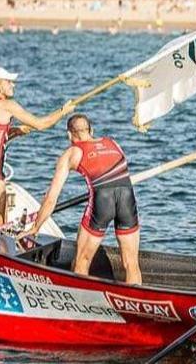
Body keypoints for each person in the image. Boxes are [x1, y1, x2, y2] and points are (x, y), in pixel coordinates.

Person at [18, 114, 141, 284]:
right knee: (131, 263)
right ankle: (134, 305)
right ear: (92, 130)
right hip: (127, 198)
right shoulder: (113, 143)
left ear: (69, 135)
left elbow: (51, 198)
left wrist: (36, 227)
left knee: (82, 261)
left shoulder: (72, 153)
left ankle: (80, 300)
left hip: (102, 201)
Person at [0, 66, 74, 228]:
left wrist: (15, 131)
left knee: (0, 224)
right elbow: (41, 124)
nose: (13, 85)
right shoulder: (6, 105)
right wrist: (63, 111)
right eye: (8, 82)